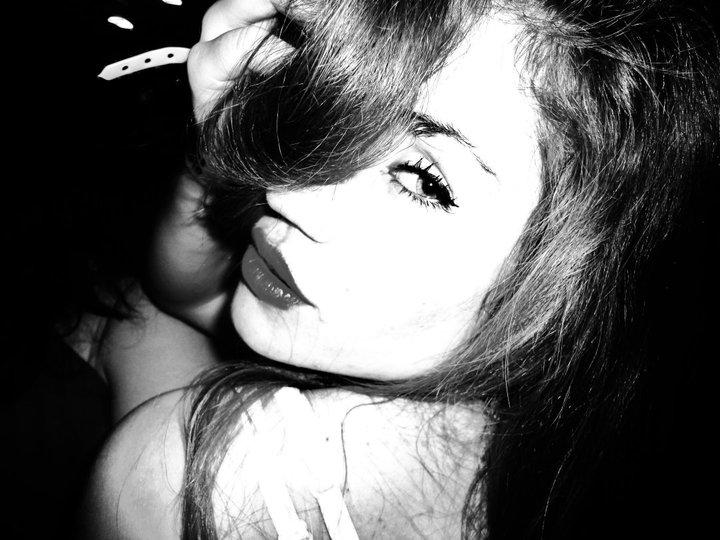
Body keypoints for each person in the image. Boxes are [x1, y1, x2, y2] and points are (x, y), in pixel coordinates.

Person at [82, 0, 719, 538]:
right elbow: (187, 297)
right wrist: (228, 137)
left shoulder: (185, 477)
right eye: (336, 110)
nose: (284, 190)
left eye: (422, 179)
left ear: (586, 286)